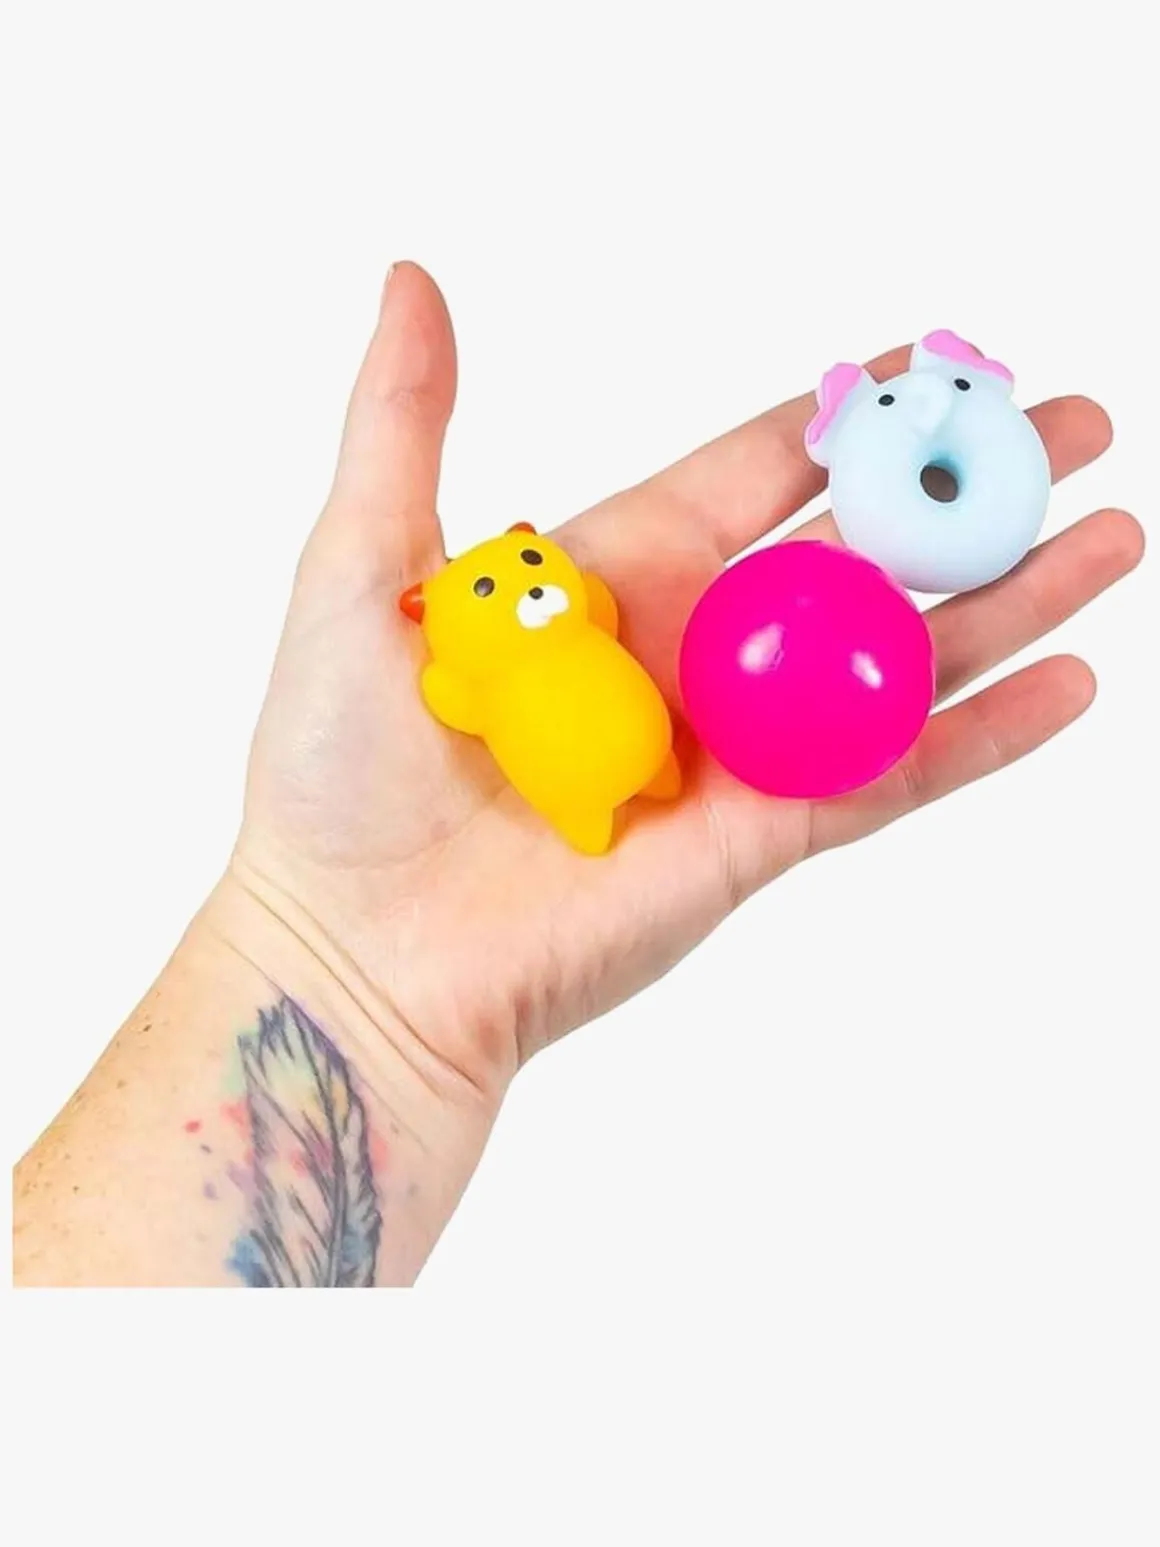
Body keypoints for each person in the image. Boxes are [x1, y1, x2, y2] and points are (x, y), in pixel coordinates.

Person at [12, 264, 1143, 1287]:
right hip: (631, 753)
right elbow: (478, 685)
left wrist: (342, 978)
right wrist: (335, 964)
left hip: (686, 739)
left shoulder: (634, 609)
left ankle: (637, 780)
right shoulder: (498, 667)